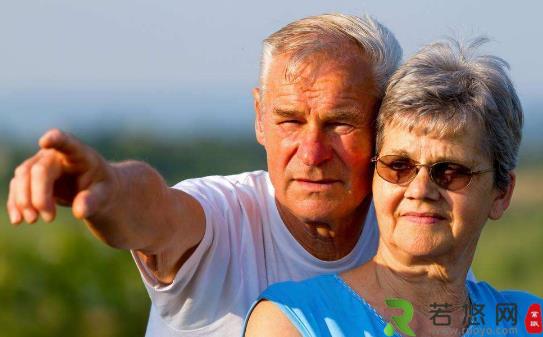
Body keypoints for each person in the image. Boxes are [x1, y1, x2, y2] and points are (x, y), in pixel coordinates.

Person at [6, 14, 404, 337]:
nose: (313, 152)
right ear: (259, 117)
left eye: (339, 123)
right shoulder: (223, 216)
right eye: (290, 120)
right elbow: (154, 210)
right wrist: (107, 187)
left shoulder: (412, 238)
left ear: (384, 125)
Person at [243, 38, 542, 337]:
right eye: (399, 166)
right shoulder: (294, 318)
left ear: (502, 192)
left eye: (450, 171)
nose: (420, 189)